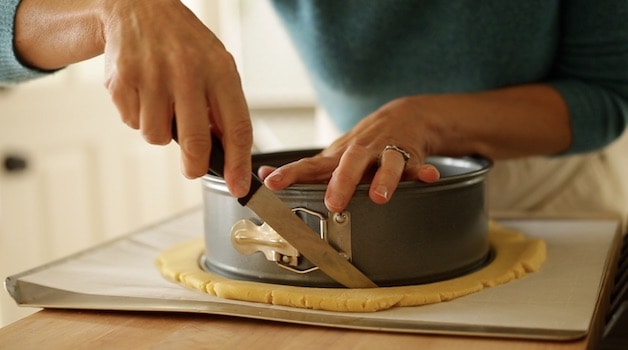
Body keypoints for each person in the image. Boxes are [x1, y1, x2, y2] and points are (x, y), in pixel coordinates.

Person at [2, 0, 627, 218]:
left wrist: (429, 119)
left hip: (554, 192)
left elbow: (605, 97)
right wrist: (107, 9)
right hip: (352, 178)